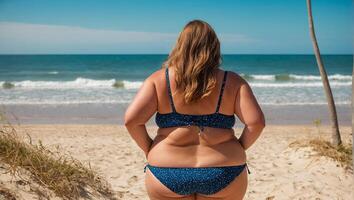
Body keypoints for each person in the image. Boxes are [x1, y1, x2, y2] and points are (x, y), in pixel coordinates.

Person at [124, 19, 265, 200]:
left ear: (180, 45)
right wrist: (238, 146)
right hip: (224, 170)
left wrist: (149, 148)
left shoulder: (159, 80)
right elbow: (256, 123)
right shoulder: (233, 81)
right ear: (214, 46)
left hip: (167, 170)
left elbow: (132, 120)